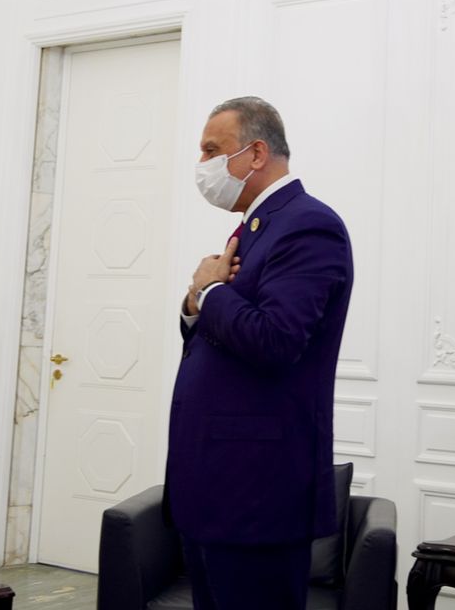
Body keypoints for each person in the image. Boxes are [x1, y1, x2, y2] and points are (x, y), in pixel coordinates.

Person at [164, 96, 354, 610]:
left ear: (255, 153)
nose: (202, 164)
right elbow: (220, 338)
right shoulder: (258, 225)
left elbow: (276, 340)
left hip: (257, 494)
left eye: (212, 150)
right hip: (217, 486)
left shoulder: (308, 224)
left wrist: (210, 290)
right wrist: (194, 305)